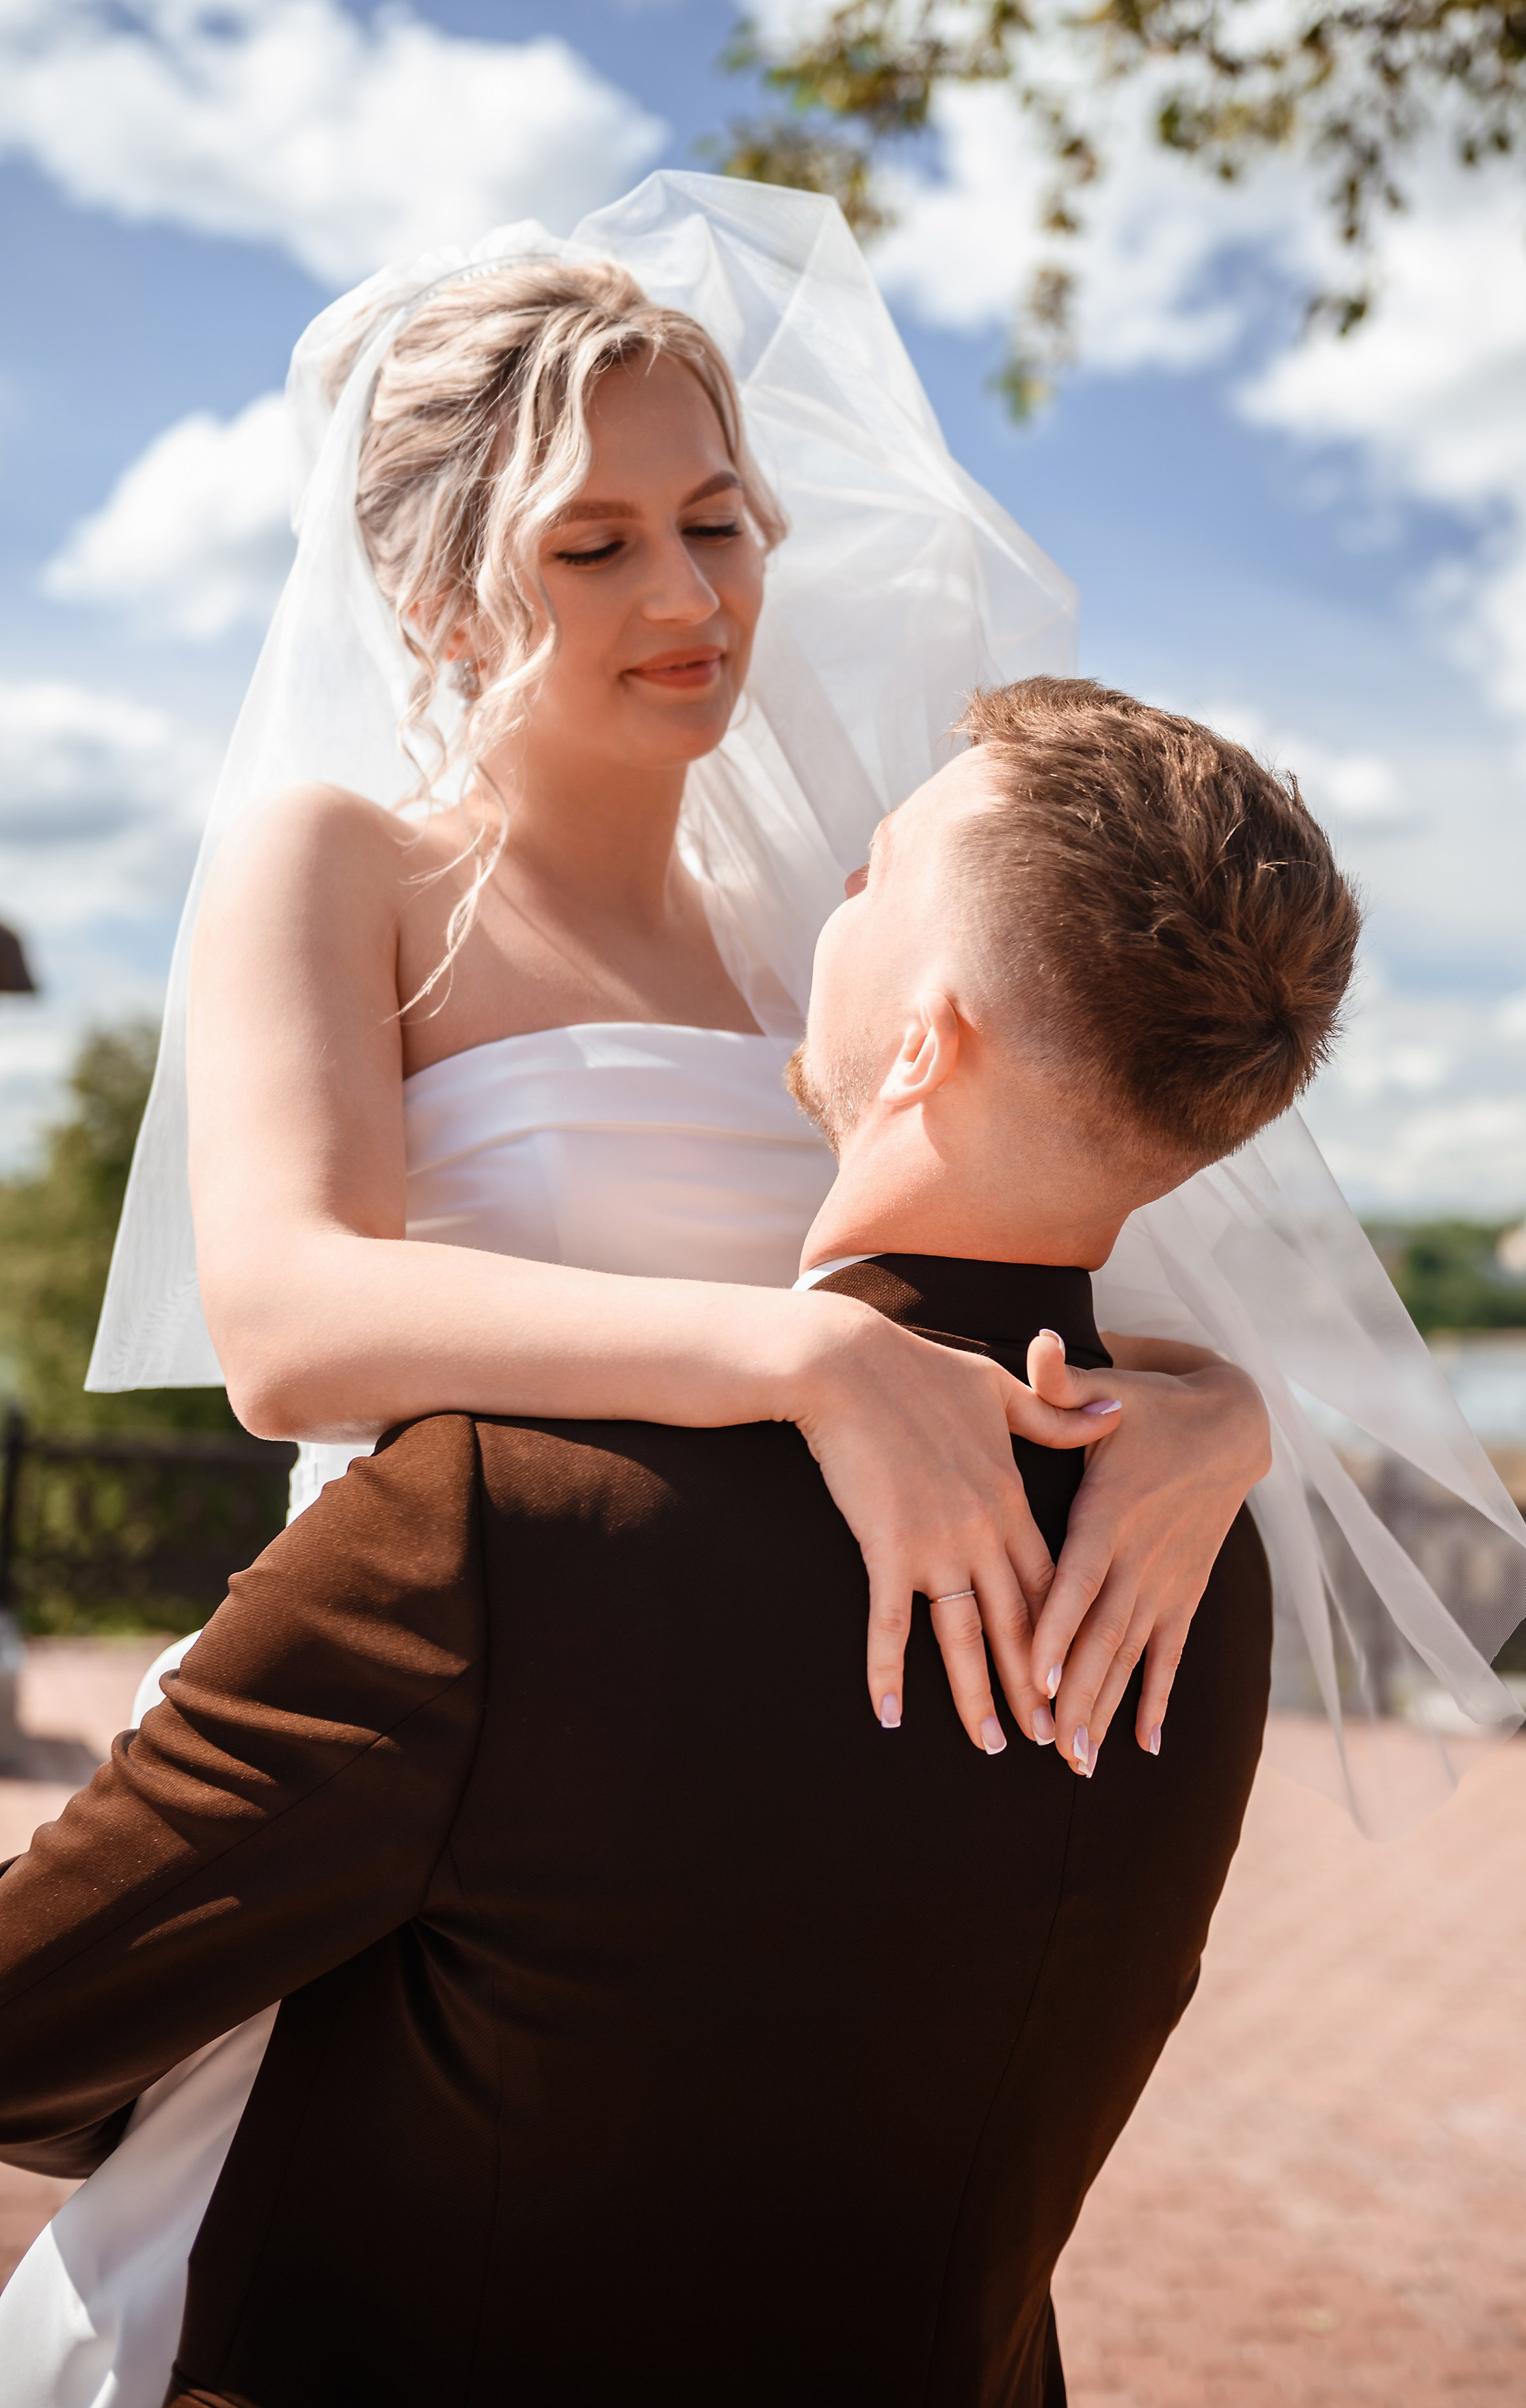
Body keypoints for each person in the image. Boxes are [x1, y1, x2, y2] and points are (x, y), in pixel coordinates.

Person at [0, 678, 1358, 2405]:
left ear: (927, 1040)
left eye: (864, 881)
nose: (818, 915)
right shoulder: (1196, 1560)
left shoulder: (500, 1518)